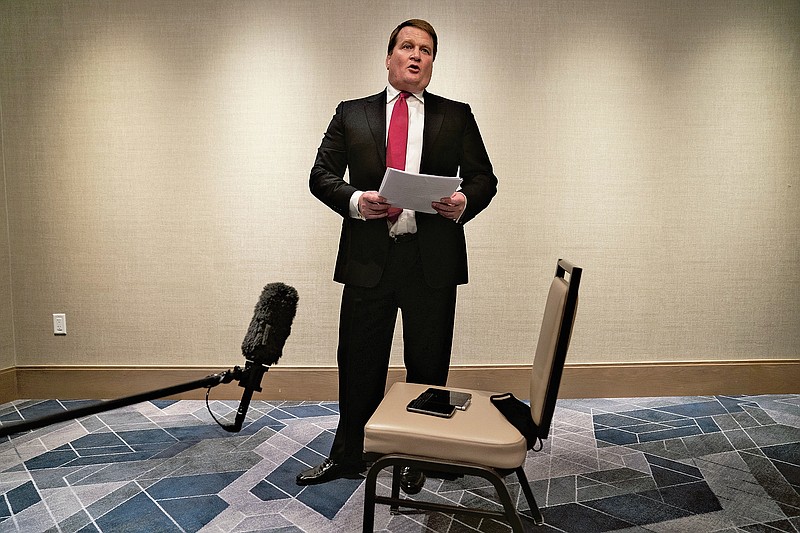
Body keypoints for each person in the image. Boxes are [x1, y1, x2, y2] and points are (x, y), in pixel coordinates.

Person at [298, 19, 498, 490]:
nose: (416, 55)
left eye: (426, 50)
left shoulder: (457, 115)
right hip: (370, 257)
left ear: (432, 63)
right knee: (359, 360)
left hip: (431, 259)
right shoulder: (352, 113)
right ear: (388, 58)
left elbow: (483, 178)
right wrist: (355, 201)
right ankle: (350, 454)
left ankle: (418, 455)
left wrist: (463, 202)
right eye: (407, 47)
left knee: (428, 363)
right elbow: (320, 174)